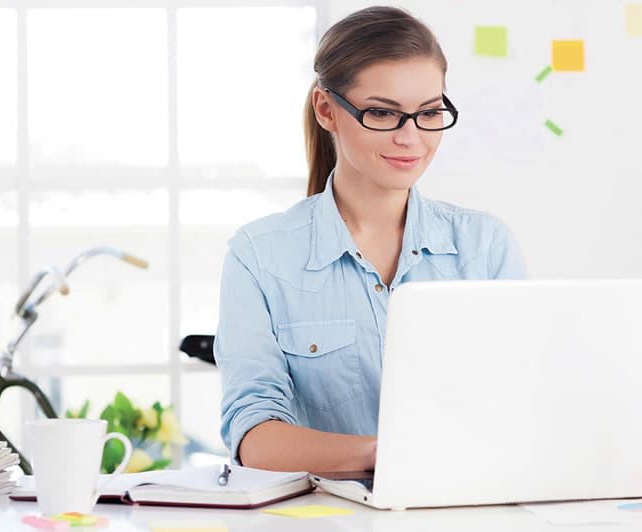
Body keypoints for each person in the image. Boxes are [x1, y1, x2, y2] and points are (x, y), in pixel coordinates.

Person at [215, 6, 526, 473]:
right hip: (324, 509)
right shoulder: (260, 255)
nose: (411, 138)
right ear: (327, 110)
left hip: (467, 503)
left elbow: (525, 400)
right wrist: (384, 454)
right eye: (382, 112)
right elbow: (254, 438)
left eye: (429, 113)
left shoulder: (484, 246)